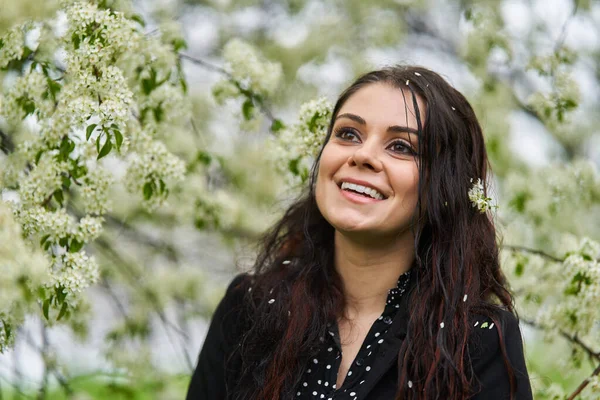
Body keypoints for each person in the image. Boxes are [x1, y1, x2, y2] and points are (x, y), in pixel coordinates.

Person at [186, 65, 533, 399]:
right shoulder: (249, 307)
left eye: (401, 146)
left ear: (446, 186)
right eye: (348, 134)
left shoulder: (479, 339)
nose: (363, 155)